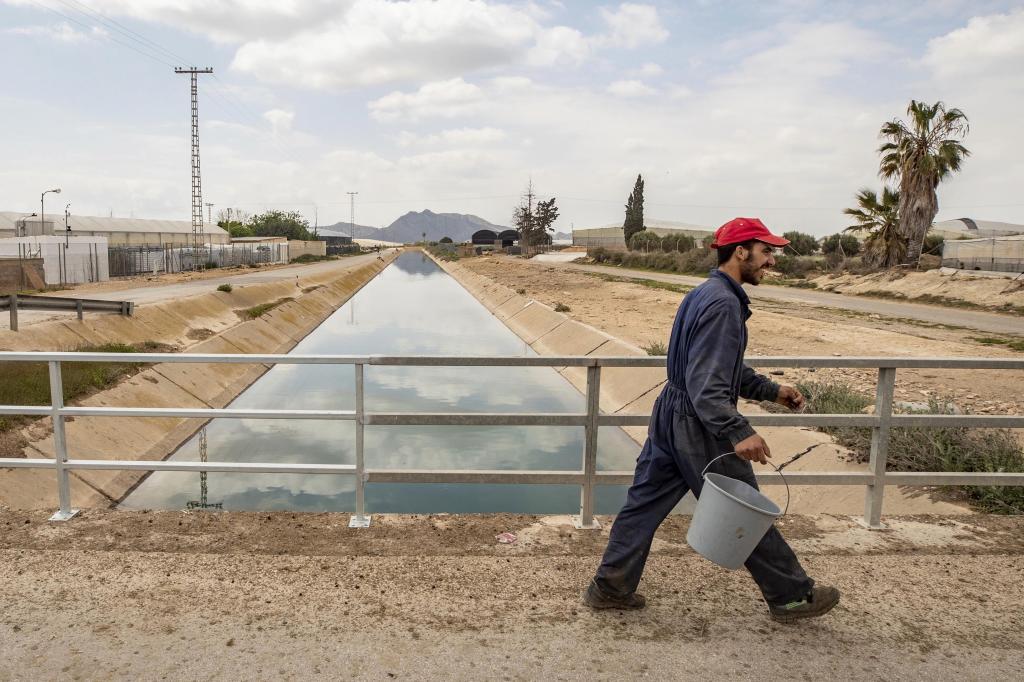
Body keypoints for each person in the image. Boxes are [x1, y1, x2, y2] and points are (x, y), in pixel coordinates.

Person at [583, 217, 840, 623]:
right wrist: (738, 431)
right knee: (744, 508)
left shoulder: (704, 293)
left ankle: (610, 587)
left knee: (643, 504)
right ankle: (791, 595)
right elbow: (708, 384)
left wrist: (771, 391)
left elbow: (715, 368)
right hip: (698, 422)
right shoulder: (723, 304)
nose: (771, 261)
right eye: (766, 251)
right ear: (741, 252)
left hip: (671, 411)